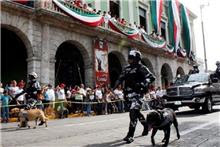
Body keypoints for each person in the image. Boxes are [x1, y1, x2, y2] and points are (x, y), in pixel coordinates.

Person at [114, 49, 155, 143]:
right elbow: (120, 78)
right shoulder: (126, 68)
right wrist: (114, 87)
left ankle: (130, 135)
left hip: (138, 94)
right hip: (128, 95)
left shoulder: (142, 67)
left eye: (131, 58)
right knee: (136, 113)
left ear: (137, 58)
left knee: (133, 113)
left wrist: (143, 84)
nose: (129, 60)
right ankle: (145, 125)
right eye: (129, 58)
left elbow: (151, 77)